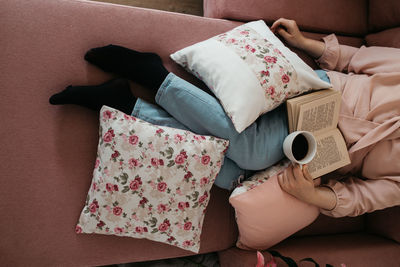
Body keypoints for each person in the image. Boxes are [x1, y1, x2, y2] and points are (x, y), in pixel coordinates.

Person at [49, 18, 400, 218]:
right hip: (324, 96)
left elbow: (362, 199)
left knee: (230, 175)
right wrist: (306, 43)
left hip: (316, 154)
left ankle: (127, 103)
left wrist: (313, 195)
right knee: (252, 155)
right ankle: (150, 79)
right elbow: (357, 59)